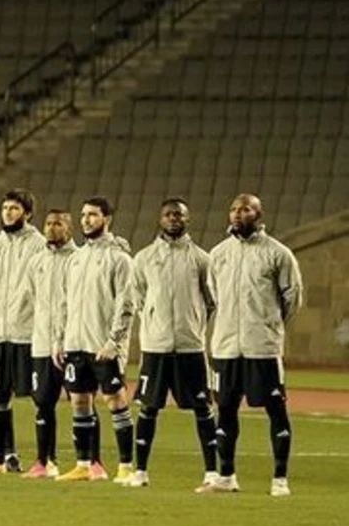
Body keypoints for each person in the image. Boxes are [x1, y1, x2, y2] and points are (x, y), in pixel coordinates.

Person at [105, 198, 218, 488]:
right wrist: (155, 322)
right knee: (148, 408)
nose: (173, 219)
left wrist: (192, 323)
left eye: (178, 214)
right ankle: (140, 471)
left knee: (203, 409)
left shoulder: (201, 259)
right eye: (168, 214)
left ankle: (211, 472)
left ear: (187, 219)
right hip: (155, 347)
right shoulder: (143, 258)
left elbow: (210, 301)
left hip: (190, 347)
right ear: (160, 218)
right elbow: (137, 298)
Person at [202, 194, 303, 497]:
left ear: (259, 214)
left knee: (275, 410)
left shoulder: (278, 254)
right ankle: (226, 476)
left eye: (245, 209)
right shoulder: (218, 254)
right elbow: (214, 295)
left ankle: (280, 479)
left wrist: (269, 326)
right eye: (233, 209)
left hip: (262, 349)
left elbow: (292, 297)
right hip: (226, 348)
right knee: (226, 410)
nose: (237, 214)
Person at [55, 197, 133, 482]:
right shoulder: (75, 258)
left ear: (107, 219)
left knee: (115, 402)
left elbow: (126, 305)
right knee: (79, 403)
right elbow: (65, 303)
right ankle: (84, 465)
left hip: (103, 346)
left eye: (93, 215)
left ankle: (125, 466)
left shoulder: (120, 259)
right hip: (75, 344)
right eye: (84, 215)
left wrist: (114, 343)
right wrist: (59, 339)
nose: (87, 220)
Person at [0, 189, 42, 474]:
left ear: (27, 213)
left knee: (41, 398)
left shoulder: (39, 245)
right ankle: (0, 458)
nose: (8, 213)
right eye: (5, 208)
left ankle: (44, 460)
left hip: (27, 333)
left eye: (14, 209)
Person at [23, 208, 76, 479]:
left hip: (73, 343)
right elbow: (35, 300)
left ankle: (89, 462)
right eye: (48, 223)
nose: (52, 228)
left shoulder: (78, 260)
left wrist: (66, 336)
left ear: (69, 228)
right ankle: (45, 461)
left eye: (58, 224)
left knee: (82, 401)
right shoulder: (37, 262)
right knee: (43, 402)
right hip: (43, 343)